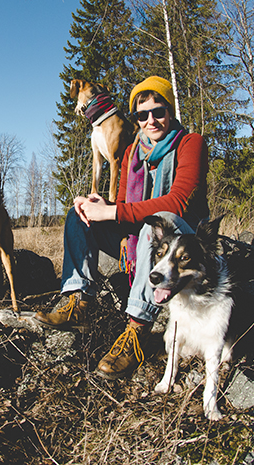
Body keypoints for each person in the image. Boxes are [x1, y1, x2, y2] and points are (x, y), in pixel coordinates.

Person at [35, 75, 210, 380]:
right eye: (142, 115)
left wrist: (112, 211)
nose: (151, 120)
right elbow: (124, 204)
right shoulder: (132, 153)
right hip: (141, 238)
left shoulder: (189, 143)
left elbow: (179, 202)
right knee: (79, 216)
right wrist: (98, 204)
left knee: (159, 223)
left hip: (182, 241)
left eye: (158, 111)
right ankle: (79, 299)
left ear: (170, 112)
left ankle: (138, 330)